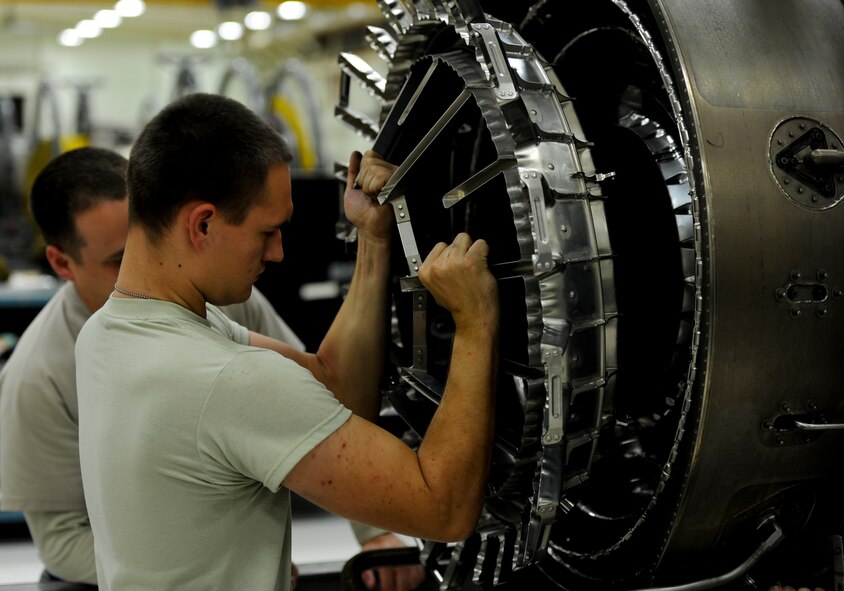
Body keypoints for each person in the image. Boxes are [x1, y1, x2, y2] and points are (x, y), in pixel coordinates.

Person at [74, 92, 498, 591]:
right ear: (203, 223)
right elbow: (442, 509)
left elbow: (331, 388)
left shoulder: (110, 332)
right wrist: (475, 322)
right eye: (267, 232)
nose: (277, 253)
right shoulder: (227, 380)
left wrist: (373, 238)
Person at [0, 146, 425, 591]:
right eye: (116, 259)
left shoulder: (216, 298)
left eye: (145, 237)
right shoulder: (37, 376)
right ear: (61, 263)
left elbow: (323, 403)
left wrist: (375, 534)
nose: (142, 263)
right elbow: (61, 541)